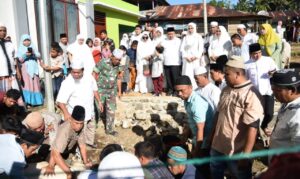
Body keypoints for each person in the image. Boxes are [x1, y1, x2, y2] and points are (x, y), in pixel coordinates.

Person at [210, 55, 264, 179]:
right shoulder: (226, 90)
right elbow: (218, 115)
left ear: (238, 73)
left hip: (236, 151)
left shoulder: (251, 94)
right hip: (217, 146)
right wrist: (210, 140)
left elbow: (253, 127)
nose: (224, 77)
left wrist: (245, 156)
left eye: (227, 74)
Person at [56, 60, 102, 146]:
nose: (76, 74)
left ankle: (89, 143)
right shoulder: (67, 82)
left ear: (83, 70)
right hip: (77, 115)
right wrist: (66, 113)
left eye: (78, 72)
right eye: (73, 72)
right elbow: (60, 101)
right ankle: (78, 150)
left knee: (91, 128)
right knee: (79, 135)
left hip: (90, 110)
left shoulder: (89, 77)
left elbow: (95, 90)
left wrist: (99, 101)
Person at [43, 106, 92, 178]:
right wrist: (51, 166)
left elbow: (82, 145)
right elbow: (55, 152)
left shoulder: (80, 127)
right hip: (51, 152)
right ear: (70, 119)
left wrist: (86, 162)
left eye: (81, 123)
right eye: (76, 123)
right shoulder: (64, 130)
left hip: (64, 151)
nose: (79, 126)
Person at [175, 76, 214, 157]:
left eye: (182, 90)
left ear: (190, 87)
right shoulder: (187, 99)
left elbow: (201, 129)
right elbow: (191, 119)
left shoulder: (196, 104)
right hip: (197, 138)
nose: (179, 94)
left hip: (205, 141)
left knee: (201, 164)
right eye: (177, 91)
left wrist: (197, 151)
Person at [245, 43, 278, 130]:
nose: (257, 55)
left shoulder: (268, 60)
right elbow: (246, 79)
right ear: (251, 54)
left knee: (269, 114)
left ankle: (263, 127)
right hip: (254, 94)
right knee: (255, 115)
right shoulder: (247, 64)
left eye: (259, 52)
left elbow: (276, 72)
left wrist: (272, 73)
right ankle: (256, 131)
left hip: (267, 91)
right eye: (255, 53)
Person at [269, 69, 300, 154]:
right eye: (273, 89)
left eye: (278, 90)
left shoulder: (297, 115)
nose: (274, 93)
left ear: (292, 91)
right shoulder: (287, 102)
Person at [93, 49, 123, 136]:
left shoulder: (119, 66)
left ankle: (109, 129)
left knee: (111, 110)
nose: (117, 61)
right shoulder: (103, 62)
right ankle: (93, 128)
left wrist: (119, 91)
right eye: (116, 59)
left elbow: (119, 79)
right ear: (112, 56)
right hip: (100, 90)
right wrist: (93, 87)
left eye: (119, 60)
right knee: (98, 109)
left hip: (112, 91)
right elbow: (94, 73)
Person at [17, 34, 43, 106]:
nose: (27, 42)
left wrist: (33, 53)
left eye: (28, 40)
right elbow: (19, 60)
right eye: (25, 40)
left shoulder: (33, 47)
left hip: (34, 70)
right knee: (27, 85)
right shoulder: (20, 49)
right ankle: (29, 102)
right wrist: (25, 55)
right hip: (25, 70)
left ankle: (37, 102)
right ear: (22, 42)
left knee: (36, 84)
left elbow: (39, 56)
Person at [180, 22, 204, 90]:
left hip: (195, 59)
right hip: (187, 59)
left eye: (192, 28)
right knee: (187, 73)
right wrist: (186, 57)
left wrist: (195, 57)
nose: (190, 29)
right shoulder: (185, 37)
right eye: (189, 28)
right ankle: (186, 88)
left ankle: (195, 88)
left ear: (195, 28)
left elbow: (201, 49)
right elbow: (182, 49)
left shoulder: (198, 37)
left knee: (195, 73)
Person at [0, 23, 20, 98]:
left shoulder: (9, 44)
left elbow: (15, 58)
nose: (2, 32)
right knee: (4, 96)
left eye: (4, 30)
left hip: (12, 74)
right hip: (1, 76)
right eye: (0, 30)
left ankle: (17, 109)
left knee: (15, 93)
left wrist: (18, 71)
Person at [161, 27, 182, 96]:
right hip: (166, 62)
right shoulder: (164, 41)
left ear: (174, 34)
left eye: (172, 34)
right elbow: (160, 50)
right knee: (168, 78)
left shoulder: (179, 41)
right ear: (167, 34)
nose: (170, 35)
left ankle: (176, 91)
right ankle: (170, 90)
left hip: (176, 62)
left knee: (175, 78)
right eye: (169, 34)